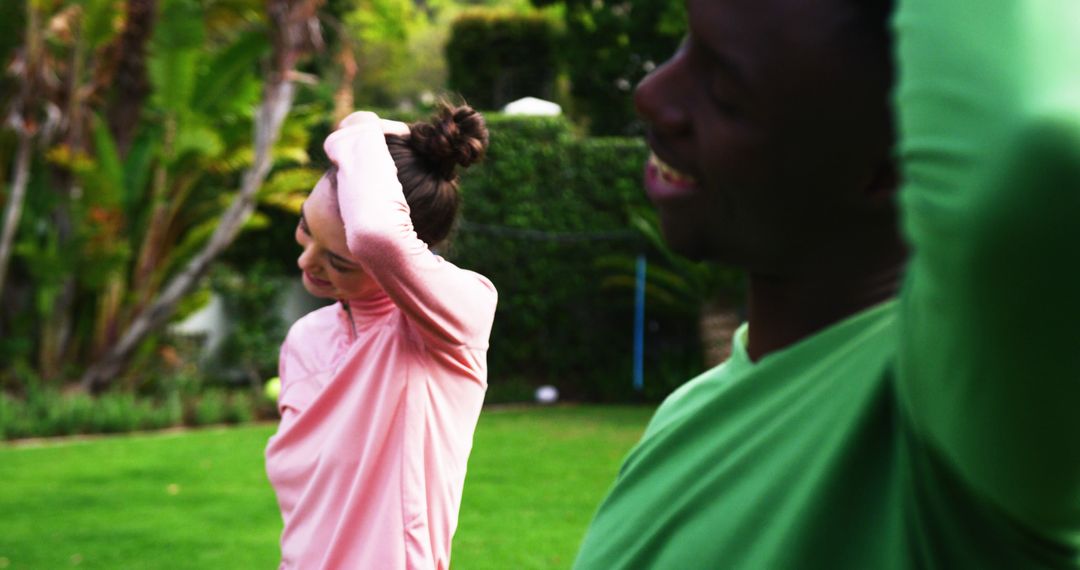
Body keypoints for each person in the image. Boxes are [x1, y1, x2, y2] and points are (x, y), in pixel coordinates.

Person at [574, 0, 1080, 567]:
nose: (652, 95)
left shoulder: (962, 427)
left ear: (893, 168)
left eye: (724, 91)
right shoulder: (687, 413)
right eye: (688, 47)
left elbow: (1026, 153)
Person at [264, 104, 497, 569]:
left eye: (339, 261)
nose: (306, 263)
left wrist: (363, 127)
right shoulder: (305, 340)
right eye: (305, 230)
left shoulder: (452, 325)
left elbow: (376, 235)